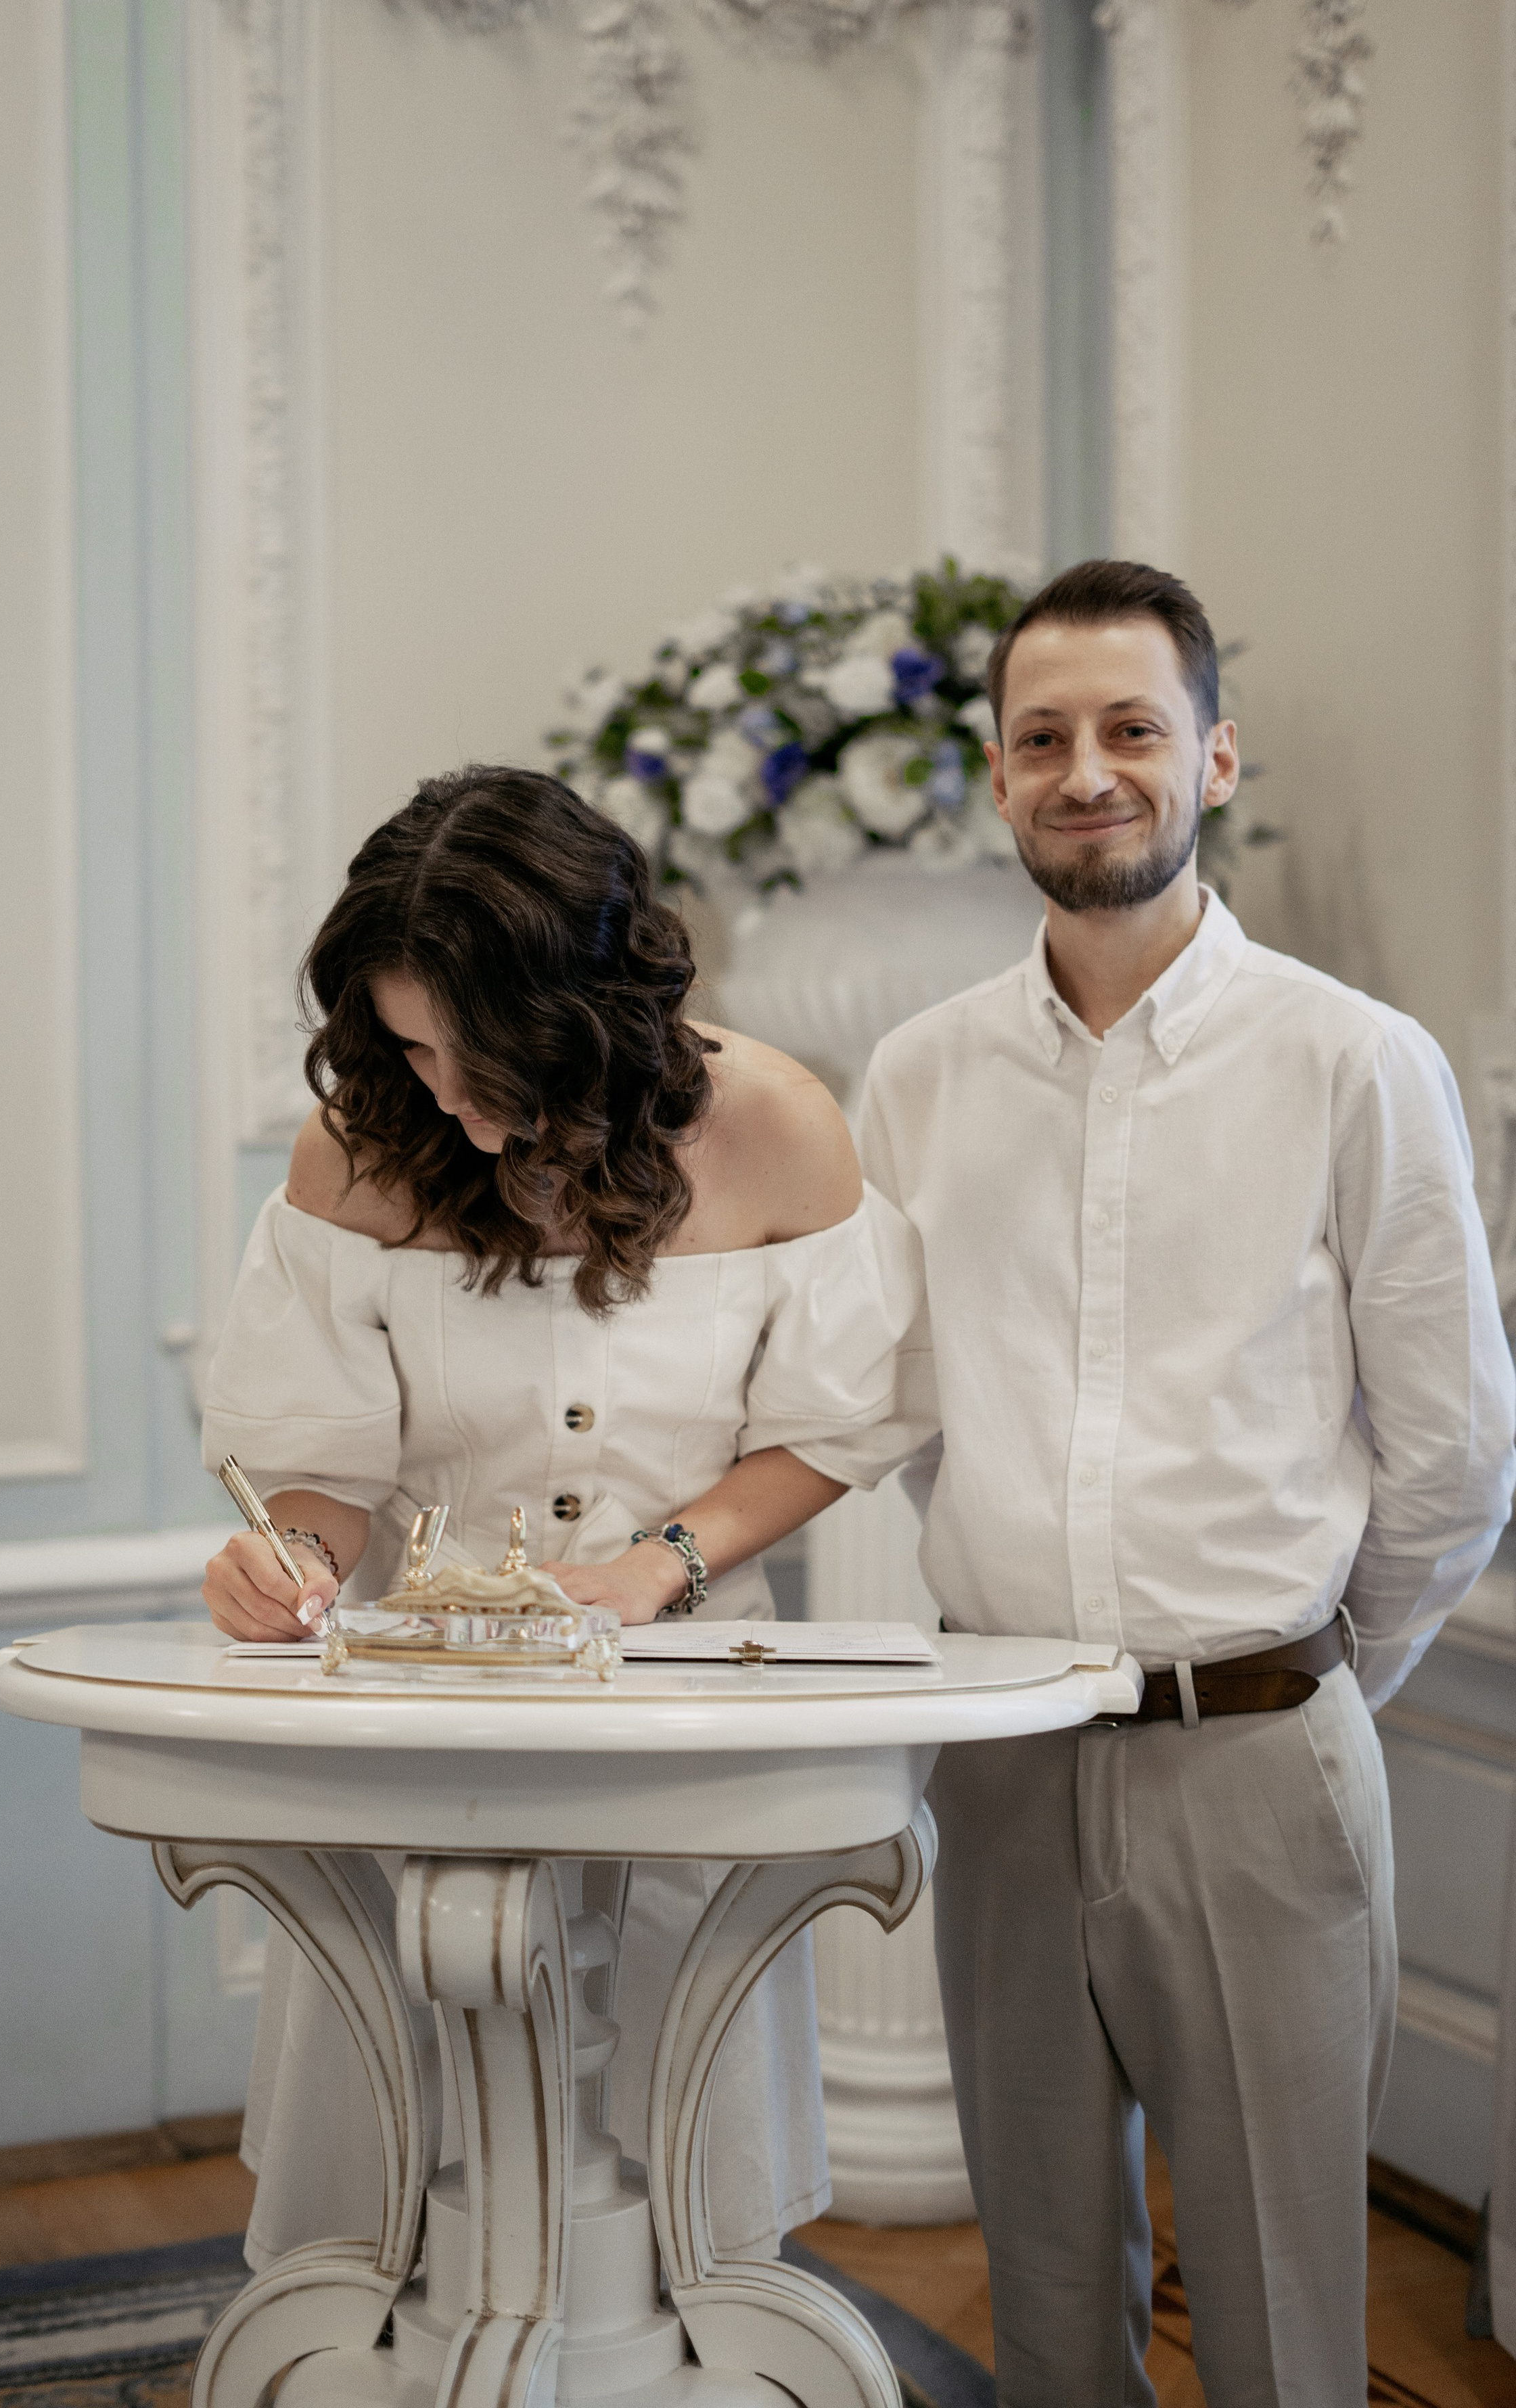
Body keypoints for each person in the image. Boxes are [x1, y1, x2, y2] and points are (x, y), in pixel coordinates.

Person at [858, 559, 1516, 2407]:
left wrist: (1305, 1678)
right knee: (1046, 2304)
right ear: (997, 775)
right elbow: (900, 1414)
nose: (1086, 772)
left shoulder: (1353, 1061)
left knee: (1281, 2323)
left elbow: (1455, 1451)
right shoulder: (914, 1080)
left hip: (1258, 1762)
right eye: (1042, 738)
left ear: (1213, 757)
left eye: (1131, 729)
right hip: (1002, 1765)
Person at [200, 763, 925, 2273]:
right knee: (407, 2151)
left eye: (490, 1059)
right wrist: (293, 1560)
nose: (453, 1102)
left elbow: (834, 1426)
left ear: (599, 1013)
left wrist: (660, 1565)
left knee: (671, 2174)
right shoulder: (359, 1149)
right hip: (425, 1700)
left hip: (689, 1699)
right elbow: (321, 1466)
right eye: (415, 1049)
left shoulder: (779, 1125)